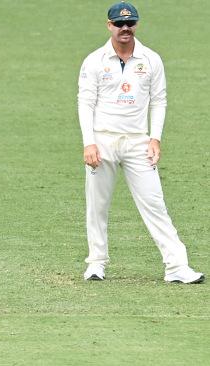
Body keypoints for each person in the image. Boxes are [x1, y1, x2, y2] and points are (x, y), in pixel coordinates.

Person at [77, 2, 204, 283]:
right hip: (103, 140)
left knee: (154, 203)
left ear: (136, 25)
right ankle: (96, 263)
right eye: (119, 24)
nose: (125, 28)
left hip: (137, 142)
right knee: (97, 205)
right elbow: (85, 103)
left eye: (130, 23)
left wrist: (155, 138)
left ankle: (176, 267)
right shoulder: (94, 61)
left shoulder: (151, 59)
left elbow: (159, 100)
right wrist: (89, 143)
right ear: (109, 25)